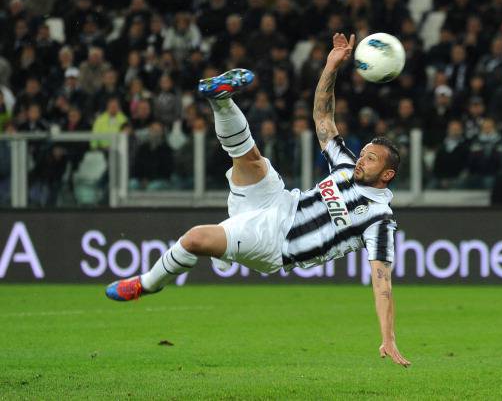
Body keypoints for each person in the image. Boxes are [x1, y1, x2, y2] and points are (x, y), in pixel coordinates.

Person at [105, 33, 410, 368]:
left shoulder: (379, 218)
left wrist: (388, 337)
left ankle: (147, 284)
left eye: (370, 159)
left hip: (275, 241)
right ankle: (220, 100)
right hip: (280, 201)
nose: (361, 160)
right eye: (363, 153)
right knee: (249, 159)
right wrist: (331, 66)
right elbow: (323, 118)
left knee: (194, 239)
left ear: (387, 175)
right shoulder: (346, 167)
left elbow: (382, 280)